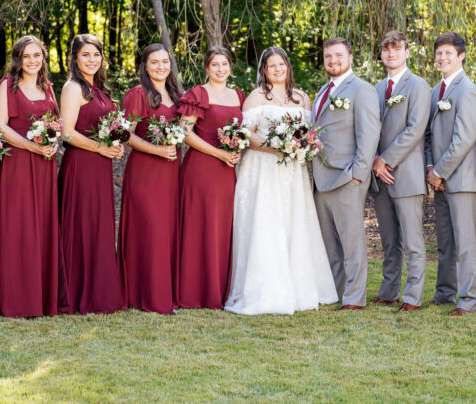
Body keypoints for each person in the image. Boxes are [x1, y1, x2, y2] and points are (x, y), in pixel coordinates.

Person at [224, 46, 338, 315]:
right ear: (264, 70)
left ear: (288, 67)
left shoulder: (301, 98)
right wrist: (275, 146)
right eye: (271, 66)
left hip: (292, 172)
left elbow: (309, 134)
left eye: (281, 65)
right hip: (263, 169)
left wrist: (301, 146)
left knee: (293, 221)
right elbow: (245, 134)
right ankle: (266, 289)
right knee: (267, 221)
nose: (277, 70)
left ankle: (299, 287)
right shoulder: (255, 97)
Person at [0, 35, 63, 317]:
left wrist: (53, 142)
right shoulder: (7, 87)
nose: (32, 61)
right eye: (27, 56)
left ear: (43, 58)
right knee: (20, 225)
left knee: (42, 224)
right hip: (19, 163)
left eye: (37, 55)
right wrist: (31, 145)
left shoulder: (48, 87)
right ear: (18, 60)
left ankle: (42, 295)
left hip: (44, 165)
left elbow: (57, 121)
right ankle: (19, 297)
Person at [58, 34, 126, 314]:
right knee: (83, 225)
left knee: (99, 226)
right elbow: (67, 134)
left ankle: (99, 291)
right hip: (82, 166)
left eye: (96, 55)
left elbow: (108, 126)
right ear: (75, 58)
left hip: (100, 166)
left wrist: (116, 143)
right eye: (85, 55)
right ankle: (77, 292)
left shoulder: (99, 89)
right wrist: (100, 147)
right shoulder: (73, 88)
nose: (92, 60)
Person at [311, 37, 380, 310]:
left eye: (338, 56)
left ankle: (354, 298)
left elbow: (369, 134)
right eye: (328, 56)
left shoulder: (362, 90)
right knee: (330, 244)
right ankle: (337, 292)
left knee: (351, 243)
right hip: (320, 177)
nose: (333, 61)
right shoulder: (321, 91)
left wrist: (358, 174)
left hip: (346, 177)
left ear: (350, 58)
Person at [175, 46, 245, 309]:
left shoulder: (238, 96)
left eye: (224, 64)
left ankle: (219, 289)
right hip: (202, 168)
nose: (220, 69)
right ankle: (195, 291)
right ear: (206, 68)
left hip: (228, 171)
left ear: (230, 67)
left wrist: (235, 149)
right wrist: (218, 153)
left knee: (222, 227)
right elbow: (185, 133)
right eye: (214, 64)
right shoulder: (198, 94)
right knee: (200, 226)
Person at [370, 31, 432, 312]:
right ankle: (389, 290)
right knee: (389, 239)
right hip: (380, 175)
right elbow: (368, 129)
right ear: (381, 54)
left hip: (404, 174)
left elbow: (416, 130)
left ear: (407, 52)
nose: (391, 54)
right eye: (386, 49)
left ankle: (412, 297)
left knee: (413, 241)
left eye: (397, 49)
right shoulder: (375, 88)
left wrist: (386, 160)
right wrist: (373, 160)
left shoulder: (418, 86)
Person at [120, 44, 183, 314]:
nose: (160, 66)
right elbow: (124, 133)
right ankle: (143, 293)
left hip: (171, 173)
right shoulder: (138, 94)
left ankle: (163, 290)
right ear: (145, 66)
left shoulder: (176, 95)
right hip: (145, 171)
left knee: (166, 230)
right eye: (154, 62)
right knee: (149, 229)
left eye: (165, 62)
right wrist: (157, 149)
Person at [424, 32, 476, 316]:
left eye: (448, 53)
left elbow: (464, 138)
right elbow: (428, 136)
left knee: (464, 241)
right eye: (439, 53)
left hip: (460, 178)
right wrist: (429, 169)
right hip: (440, 178)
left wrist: (441, 171)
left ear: (461, 56)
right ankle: (444, 292)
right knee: (445, 240)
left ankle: (468, 299)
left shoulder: (467, 90)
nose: (442, 58)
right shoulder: (437, 91)